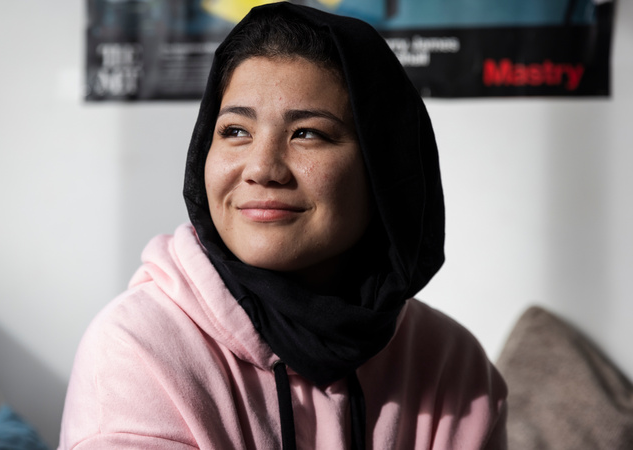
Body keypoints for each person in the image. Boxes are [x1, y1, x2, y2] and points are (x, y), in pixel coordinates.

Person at [59, 3, 507, 449]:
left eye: (308, 133)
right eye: (235, 131)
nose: (262, 168)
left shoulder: (453, 365)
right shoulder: (137, 348)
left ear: (383, 170)